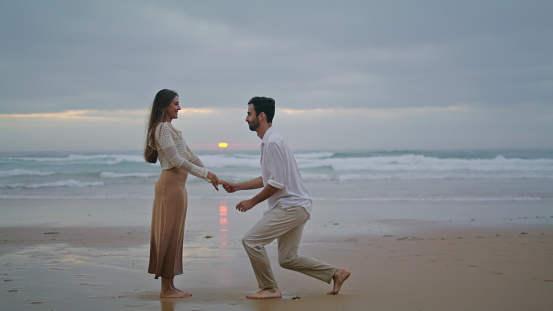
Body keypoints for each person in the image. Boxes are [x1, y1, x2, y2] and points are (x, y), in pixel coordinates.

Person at [221, 96, 350, 299]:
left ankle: (270, 288)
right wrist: (238, 187)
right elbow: (269, 178)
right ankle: (335, 273)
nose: (246, 118)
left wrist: (252, 201)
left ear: (261, 116)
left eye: (249, 113)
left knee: (251, 241)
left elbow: (277, 184)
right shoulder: (270, 141)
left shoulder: (272, 142)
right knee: (287, 259)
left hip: (291, 206)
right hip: (297, 206)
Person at [144, 89, 220, 298]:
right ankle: (165, 289)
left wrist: (210, 177)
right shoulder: (161, 129)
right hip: (170, 186)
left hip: (178, 187)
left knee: (175, 234)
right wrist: (206, 174)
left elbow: (190, 155)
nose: (179, 108)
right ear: (164, 106)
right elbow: (176, 160)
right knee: (168, 234)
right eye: (176, 104)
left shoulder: (171, 130)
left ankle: (170, 285)